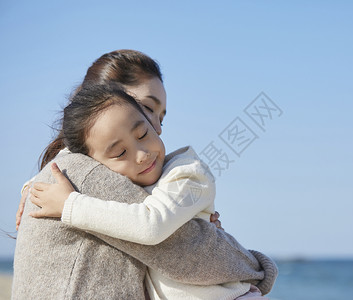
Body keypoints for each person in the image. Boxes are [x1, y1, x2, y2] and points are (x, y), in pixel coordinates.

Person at [12, 50, 277, 299]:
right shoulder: (88, 175)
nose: (158, 128)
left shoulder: (168, 171)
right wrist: (258, 267)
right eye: (149, 108)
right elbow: (189, 250)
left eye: (161, 118)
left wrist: (196, 221)